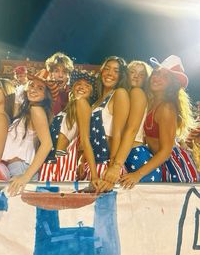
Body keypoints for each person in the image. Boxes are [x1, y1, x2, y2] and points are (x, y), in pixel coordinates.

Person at [120, 55, 199, 189]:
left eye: (164, 76)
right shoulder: (151, 102)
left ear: (171, 84)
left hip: (174, 164)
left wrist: (137, 175)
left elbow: (166, 151)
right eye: (156, 73)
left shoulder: (166, 107)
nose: (157, 78)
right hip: (158, 162)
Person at [99, 60, 162, 192]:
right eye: (132, 72)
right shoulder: (127, 94)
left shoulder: (137, 93)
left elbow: (132, 130)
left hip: (136, 157)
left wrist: (116, 166)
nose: (136, 76)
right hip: (127, 156)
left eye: (142, 74)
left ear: (146, 79)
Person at [77, 56, 130, 190]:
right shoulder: (96, 102)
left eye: (116, 71)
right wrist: (82, 160)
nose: (110, 73)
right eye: (107, 69)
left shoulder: (120, 93)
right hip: (92, 166)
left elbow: (118, 134)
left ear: (121, 76)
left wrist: (113, 168)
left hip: (106, 165)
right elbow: (88, 137)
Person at [39, 68, 97, 182]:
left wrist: (94, 176)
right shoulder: (71, 106)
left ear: (92, 92)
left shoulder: (82, 103)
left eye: (87, 85)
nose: (81, 87)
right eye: (78, 84)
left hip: (58, 163)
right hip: (50, 161)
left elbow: (86, 140)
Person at [3, 70, 54, 196]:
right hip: (16, 169)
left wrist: (25, 176)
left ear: (46, 95)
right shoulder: (27, 110)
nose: (33, 89)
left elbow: (47, 144)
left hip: (21, 170)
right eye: (31, 85)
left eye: (40, 88)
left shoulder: (37, 110)